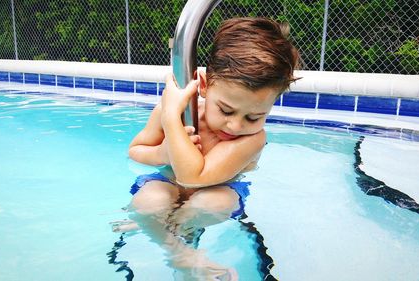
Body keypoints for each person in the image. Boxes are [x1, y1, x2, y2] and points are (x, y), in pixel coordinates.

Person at [119, 17, 298, 279]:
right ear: (203, 85)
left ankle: (163, 228)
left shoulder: (252, 139)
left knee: (212, 203)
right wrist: (161, 153)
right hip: (167, 181)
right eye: (226, 110)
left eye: (254, 117)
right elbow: (135, 150)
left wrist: (171, 119)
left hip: (219, 187)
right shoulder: (179, 111)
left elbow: (193, 178)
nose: (236, 125)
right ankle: (177, 250)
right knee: (149, 201)